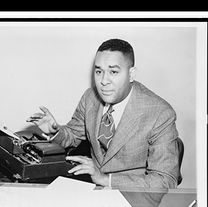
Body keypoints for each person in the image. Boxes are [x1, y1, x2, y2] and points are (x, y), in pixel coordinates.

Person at [27, 38, 181, 188]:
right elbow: (73, 135)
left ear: (131, 74)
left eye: (113, 72)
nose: (103, 81)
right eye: (99, 71)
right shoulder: (90, 98)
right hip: (95, 188)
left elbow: (165, 180)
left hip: (134, 195)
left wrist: (106, 180)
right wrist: (55, 131)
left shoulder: (160, 114)